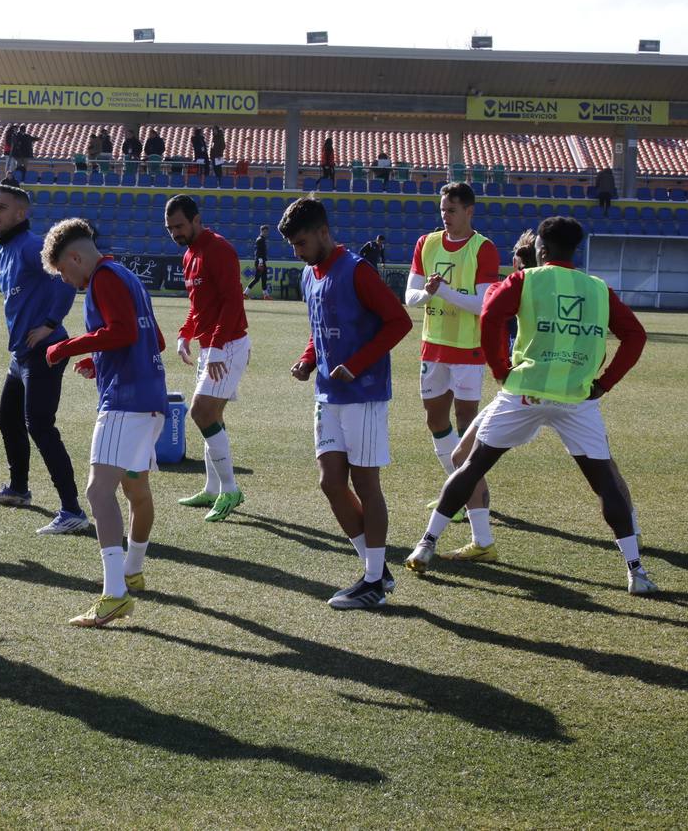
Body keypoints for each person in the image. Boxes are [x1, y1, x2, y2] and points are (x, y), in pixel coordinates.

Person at [410, 216, 655, 595]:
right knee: (605, 482)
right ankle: (636, 571)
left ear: (541, 247)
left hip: (524, 392)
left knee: (472, 464)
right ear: (576, 249)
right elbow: (635, 335)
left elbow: (490, 313)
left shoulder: (527, 279)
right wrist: (604, 383)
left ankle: (427, 544)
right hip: (576, 399)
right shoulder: (597, 289)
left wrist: (500, 368)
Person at [280, 197, 413, 609]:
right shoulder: (309, 274)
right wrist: (307, 360)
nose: (298, 253)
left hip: (364, 394)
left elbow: (400, 321)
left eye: (301, 243)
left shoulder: (357, 270)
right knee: (331, 482)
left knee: (365, 484)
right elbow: (318, 329)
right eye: (293, 247)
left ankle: (373, 581)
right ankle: (376, 572)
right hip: (327, 394)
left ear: (323, 232)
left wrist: (355, 365)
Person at [41, 218, 168, 627]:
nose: (67, 281)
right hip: (151, 399)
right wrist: (98, 361)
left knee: (98, 492)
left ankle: (114, 594)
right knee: (135, 489)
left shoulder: (102, 279)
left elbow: (123, 332)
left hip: (125, 402)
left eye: (64, 271)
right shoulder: (126, 275)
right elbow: (154, 340)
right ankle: (132, 569)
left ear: (76, 257)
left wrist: (66, 346)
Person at [0, 183, 88, 535]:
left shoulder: (29, 246)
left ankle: (72, 510)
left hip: (44, 351)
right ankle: (19, 490)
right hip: (21, 354)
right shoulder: (7, 248)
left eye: (2, 207)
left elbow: (68, 278)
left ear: (21, 214)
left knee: (40, 426)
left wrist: (50, 324)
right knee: (8, 419)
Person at [405, 182, 500, 553]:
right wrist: (428, 292)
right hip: (433, 347)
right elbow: (410, 296)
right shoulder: (426, 243)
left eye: (453, 210)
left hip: (468, 350)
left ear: (470, 211)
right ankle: (457, 490)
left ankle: (471, 508)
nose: (446, 216)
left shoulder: (483, 248)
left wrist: (441, 291)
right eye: (443, 209)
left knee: (466, 426)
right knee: (435, 420)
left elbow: (482, 304)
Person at [165, 195, 250, 522]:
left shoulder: (220, 250)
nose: (175, 233)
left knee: (201, 411)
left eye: (180, 225)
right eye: (170, 228)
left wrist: (214, 347)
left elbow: (231, 302)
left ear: (197, 220)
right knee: (212, 416)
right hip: (212, 345)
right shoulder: (189, 254)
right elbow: (199, 306)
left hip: (228, 344)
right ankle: (214, 488)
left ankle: (230, 489)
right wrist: (185, 332)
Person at [246, 224, 273, 299]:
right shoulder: (260, 240)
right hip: (260, 262)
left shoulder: (262, 239)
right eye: (264, 231)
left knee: (264, 278)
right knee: (257, 279)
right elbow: (258, 252)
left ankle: (266, 295)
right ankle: (245, 293)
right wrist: (260, 262)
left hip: (262, 261)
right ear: (261, 231)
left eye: (267, 231)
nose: (266, 233)